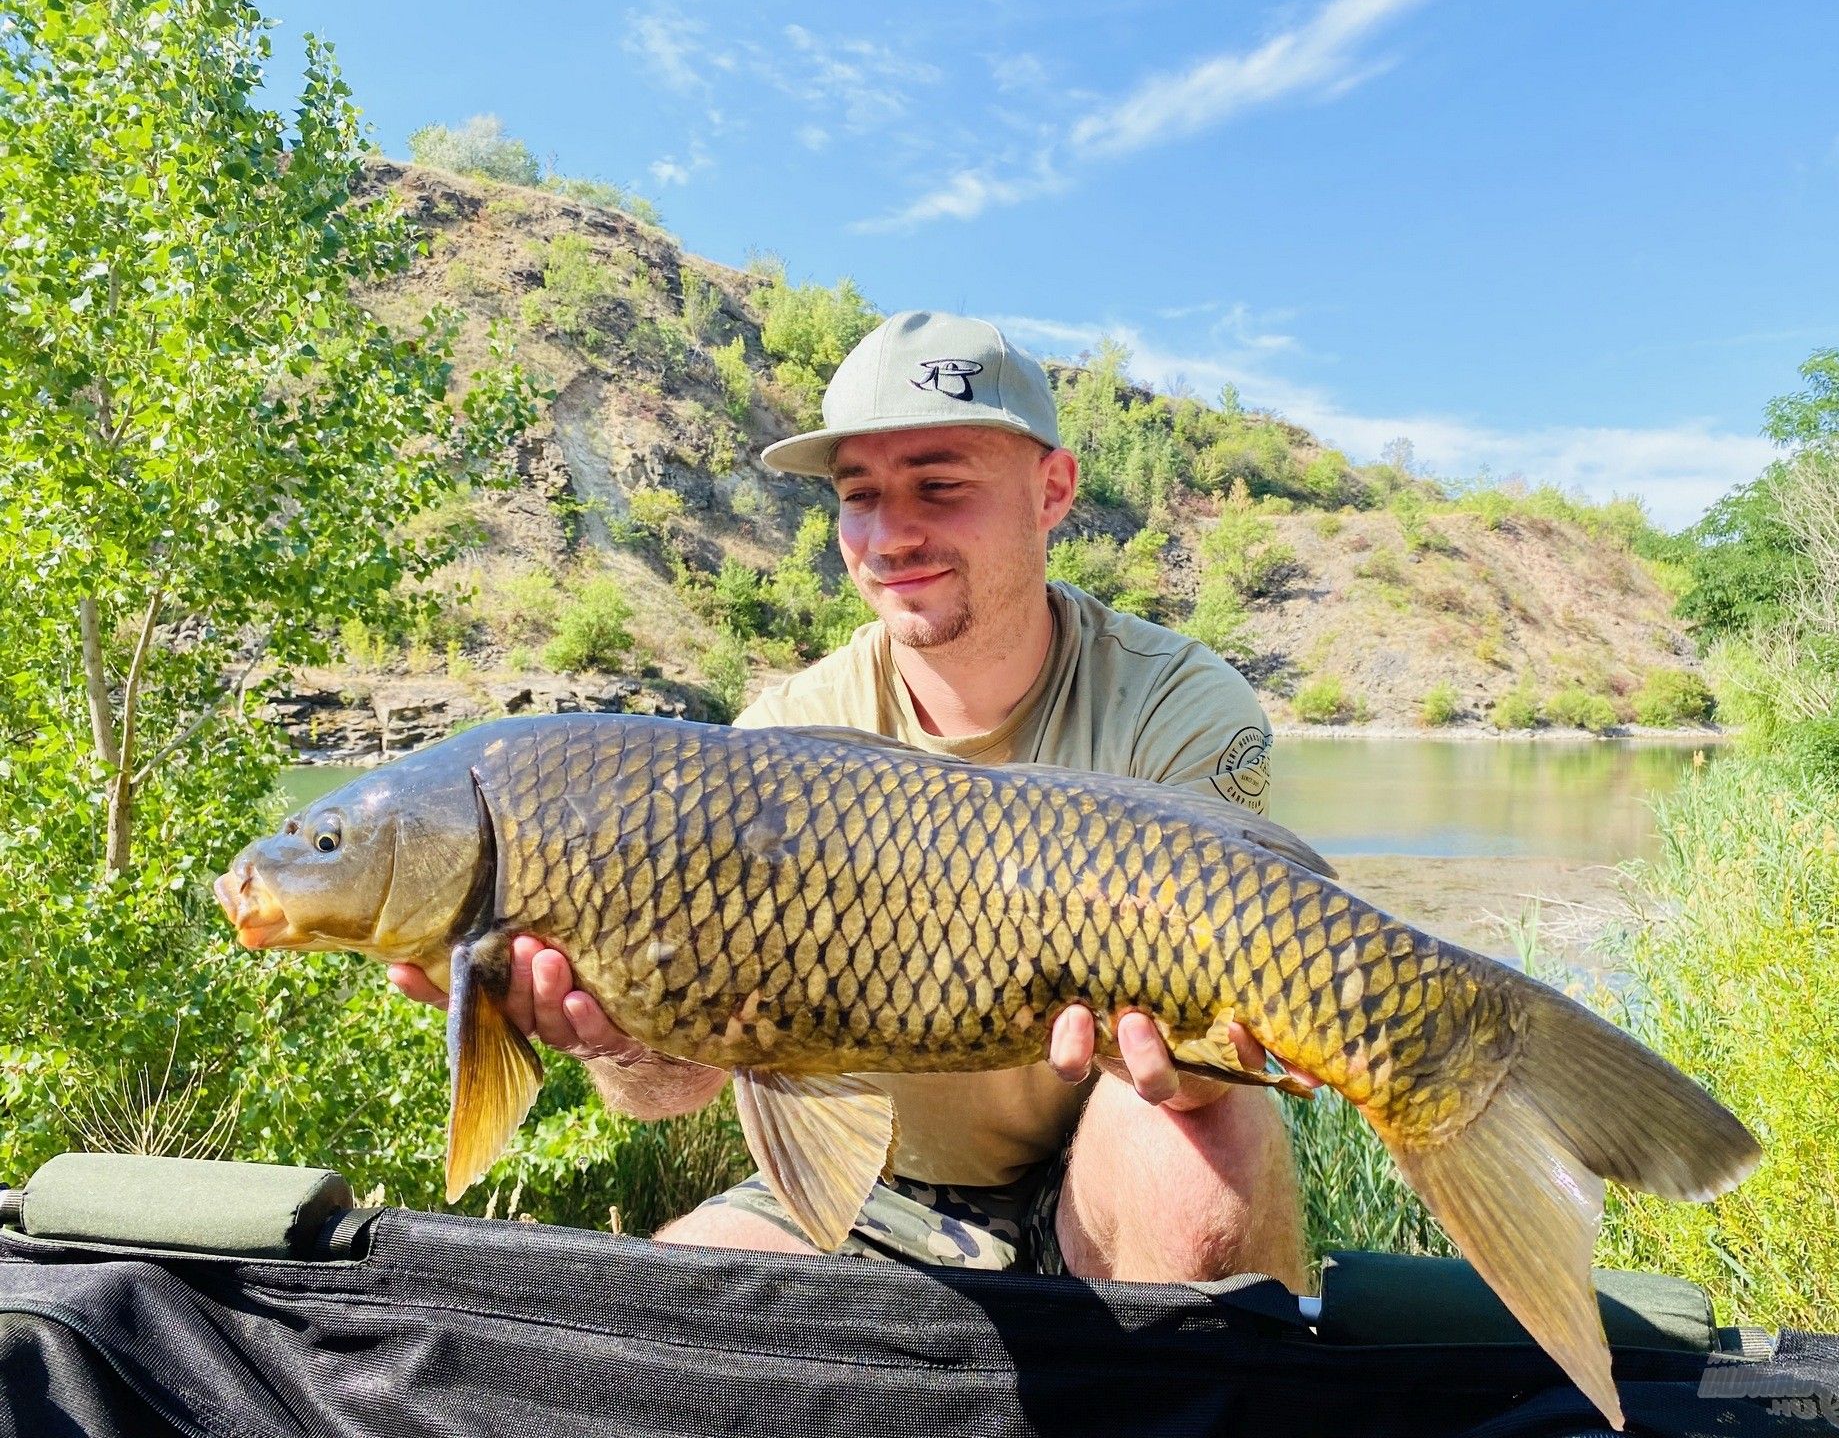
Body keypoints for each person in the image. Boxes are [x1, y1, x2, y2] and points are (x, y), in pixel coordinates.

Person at [389, 311, 1328, 1288]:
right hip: (869, 1183)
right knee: (666, 1302)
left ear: (1051, 491)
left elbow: (1230, 1048)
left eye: (939, 485)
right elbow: (681, 1087)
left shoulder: (1174, 704)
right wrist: (621, 1036)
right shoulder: (771, 743)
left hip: (1100, 1150)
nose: (891, 534)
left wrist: (1213, 1066)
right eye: (859, 495)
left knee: (1205, 1153)